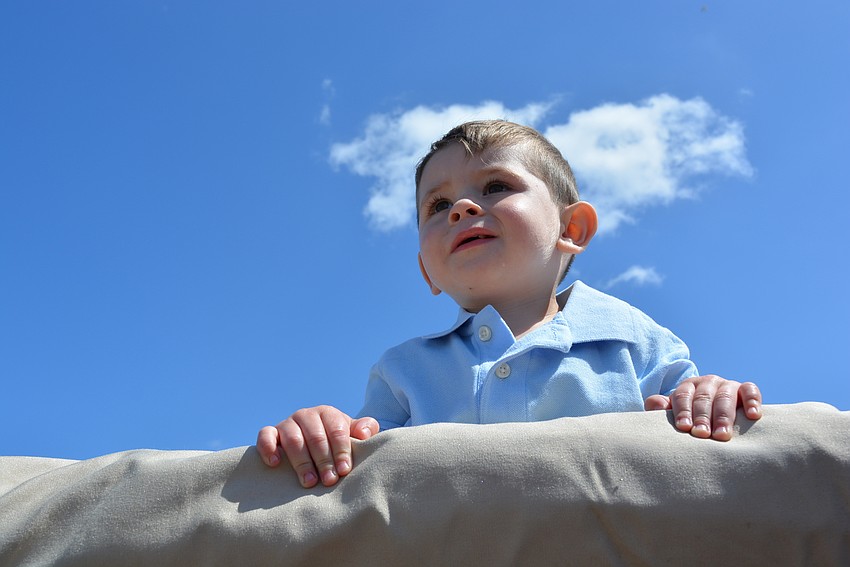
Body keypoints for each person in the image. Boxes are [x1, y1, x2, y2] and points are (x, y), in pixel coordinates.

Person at [257, 120, 763, 489]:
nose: (461, 208)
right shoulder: (403, 371)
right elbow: (358, 468)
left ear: (571, 228)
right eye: (438, 205)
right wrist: (320, 435)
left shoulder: (636, 341)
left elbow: (697, 415)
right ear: (426, 271)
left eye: (496, 186)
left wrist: (710, 393)